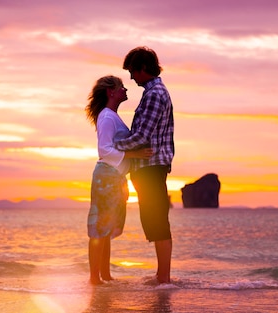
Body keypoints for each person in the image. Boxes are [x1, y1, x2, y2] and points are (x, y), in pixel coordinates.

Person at [114, 46, 175, 284]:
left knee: (157, 220)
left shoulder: (154, 94)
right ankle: (162, 276)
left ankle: (164, 278)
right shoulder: (155, 92)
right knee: (154, 220)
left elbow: (142, 136)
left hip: (150, 167)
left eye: (132, 71)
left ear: (143, 68)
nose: (130, 77)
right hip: (150, 166)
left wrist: (113, 145)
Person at [85, 75, 153, 285]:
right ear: (110, 92)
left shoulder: (112, 116)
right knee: (100, 229)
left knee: (106, 228)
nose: (125, 90)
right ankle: (95, 278)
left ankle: (104, 275)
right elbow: (104, 150)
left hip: (114, 176)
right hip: (107, 176)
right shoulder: (106, 117)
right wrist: (134, 156)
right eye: (121, 87)